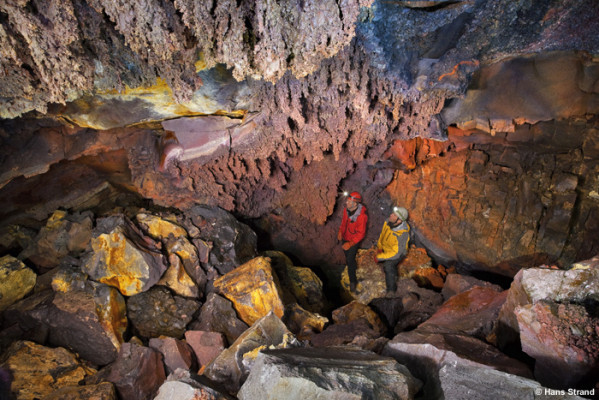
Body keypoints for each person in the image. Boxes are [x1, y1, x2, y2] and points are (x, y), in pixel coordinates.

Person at [374, 206, 410, 295]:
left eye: (394, 215)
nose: (391, 215)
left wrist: (380, 257)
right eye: (392, 213)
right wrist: (379, 247)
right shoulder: (388, 221)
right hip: (387, 247)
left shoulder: (402, 235)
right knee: (382, 261)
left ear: (399, 221)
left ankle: (391, 290)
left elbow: (396, 253)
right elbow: (382, 235)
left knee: (388, 265)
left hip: (399, 252)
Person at [338, 191, 368, 292]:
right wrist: (340, 231)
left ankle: (353, 281)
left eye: (349, 201)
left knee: (350, 260)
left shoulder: (362, 217)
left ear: (355, 204)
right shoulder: (346, 210)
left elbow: (361, 234)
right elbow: (343, 222)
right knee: (347, 256)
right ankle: (353, 266)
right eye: (347, 200)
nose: (347, 202)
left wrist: (350, 243)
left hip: (354, 240)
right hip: (345, 236)